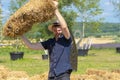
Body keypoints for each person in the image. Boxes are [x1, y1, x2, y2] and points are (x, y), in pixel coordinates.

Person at [20, 1, 72, 80]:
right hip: (52, 75)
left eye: (59, 26)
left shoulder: (66, 39)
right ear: (53, 29)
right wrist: (20, 34)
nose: (57, 28)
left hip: (63, 75)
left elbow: (64, 27)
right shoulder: (50, 42)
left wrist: (55, 10)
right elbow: (31, 46)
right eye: (55, 27)